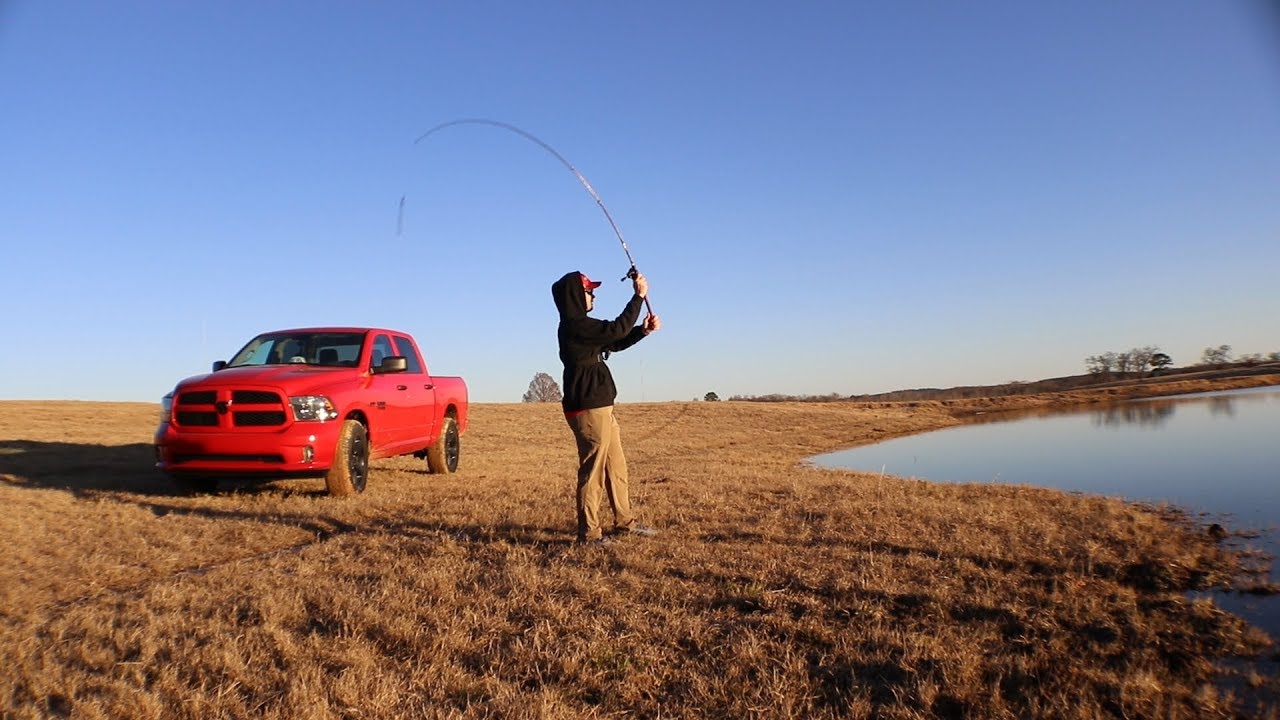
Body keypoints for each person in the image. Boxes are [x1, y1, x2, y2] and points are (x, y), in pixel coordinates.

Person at [550, 269, 662, 545]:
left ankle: (624, 522)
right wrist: (638, 298)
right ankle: (589, 534)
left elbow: (616, 340)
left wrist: (643, 331)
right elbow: (615, 328)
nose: (593, 295)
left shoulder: (584, 328)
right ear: (577, 296)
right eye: (589, 291)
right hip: (588, 409)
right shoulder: (575, 326)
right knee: (593, 471)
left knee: (616, 467)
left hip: (601, 406)